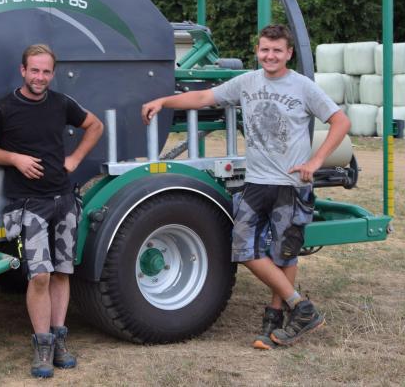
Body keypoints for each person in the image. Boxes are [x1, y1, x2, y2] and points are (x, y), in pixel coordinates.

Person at [141, 24, 350, 349]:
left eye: (277, 50)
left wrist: (315, 161)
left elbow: (340, 121)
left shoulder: (303, 86)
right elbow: (203, 97)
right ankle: (302, 307)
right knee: (243, 248)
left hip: (291, 184)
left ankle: (274, 318)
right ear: (258, 51)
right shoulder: (247, 82)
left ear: (288, 53)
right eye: (265, 49)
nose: (270, 56)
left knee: (284, 253)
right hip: (256, 182)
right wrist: (163, 101)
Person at [0, 44, 103, 378]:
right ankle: (42, 344)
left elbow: (95, 126)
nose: (40, 77)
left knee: (62, 271)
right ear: (23, 71)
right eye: (34, 70)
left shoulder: (62, 104)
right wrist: (15, 158)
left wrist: (74, 159)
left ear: (52, 73)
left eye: (46, 71)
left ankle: (59, 339)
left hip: (64, 200)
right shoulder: (2, 108)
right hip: (27, 205)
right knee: (40, 275)